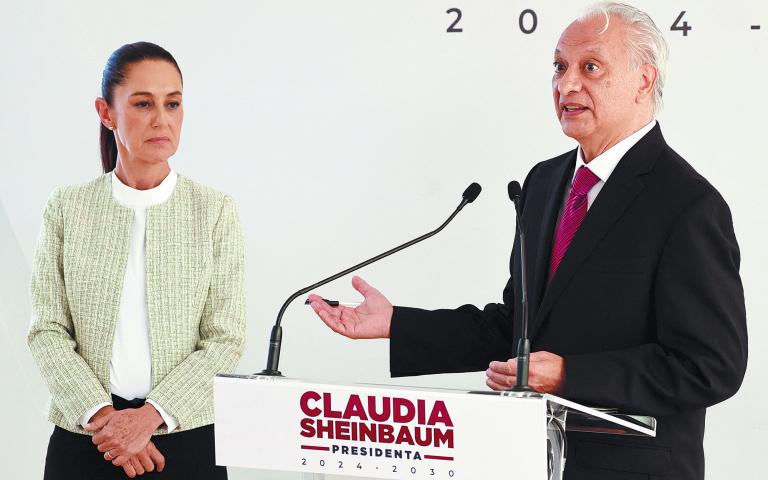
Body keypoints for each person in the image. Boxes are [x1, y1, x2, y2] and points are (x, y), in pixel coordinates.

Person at [308, 3, 748, 480]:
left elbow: (710, 365)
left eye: (590, 67)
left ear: (644, 80)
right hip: (528, 461)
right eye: (559, 67)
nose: (567, 84)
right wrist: (398, 324)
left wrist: (567, 376)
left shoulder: (686, 204)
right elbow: (515, 328)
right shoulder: (544, 182)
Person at [27, 42, 246, 479]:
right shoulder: (67, 207)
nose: (162, 119)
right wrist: (105, 420)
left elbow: (226, 339)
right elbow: (47, 329)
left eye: (173, 103)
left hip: (186, 441)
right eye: (143, 104)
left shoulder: (214, 210)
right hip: (85, 439)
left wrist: (148, 419)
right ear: (106, 113)